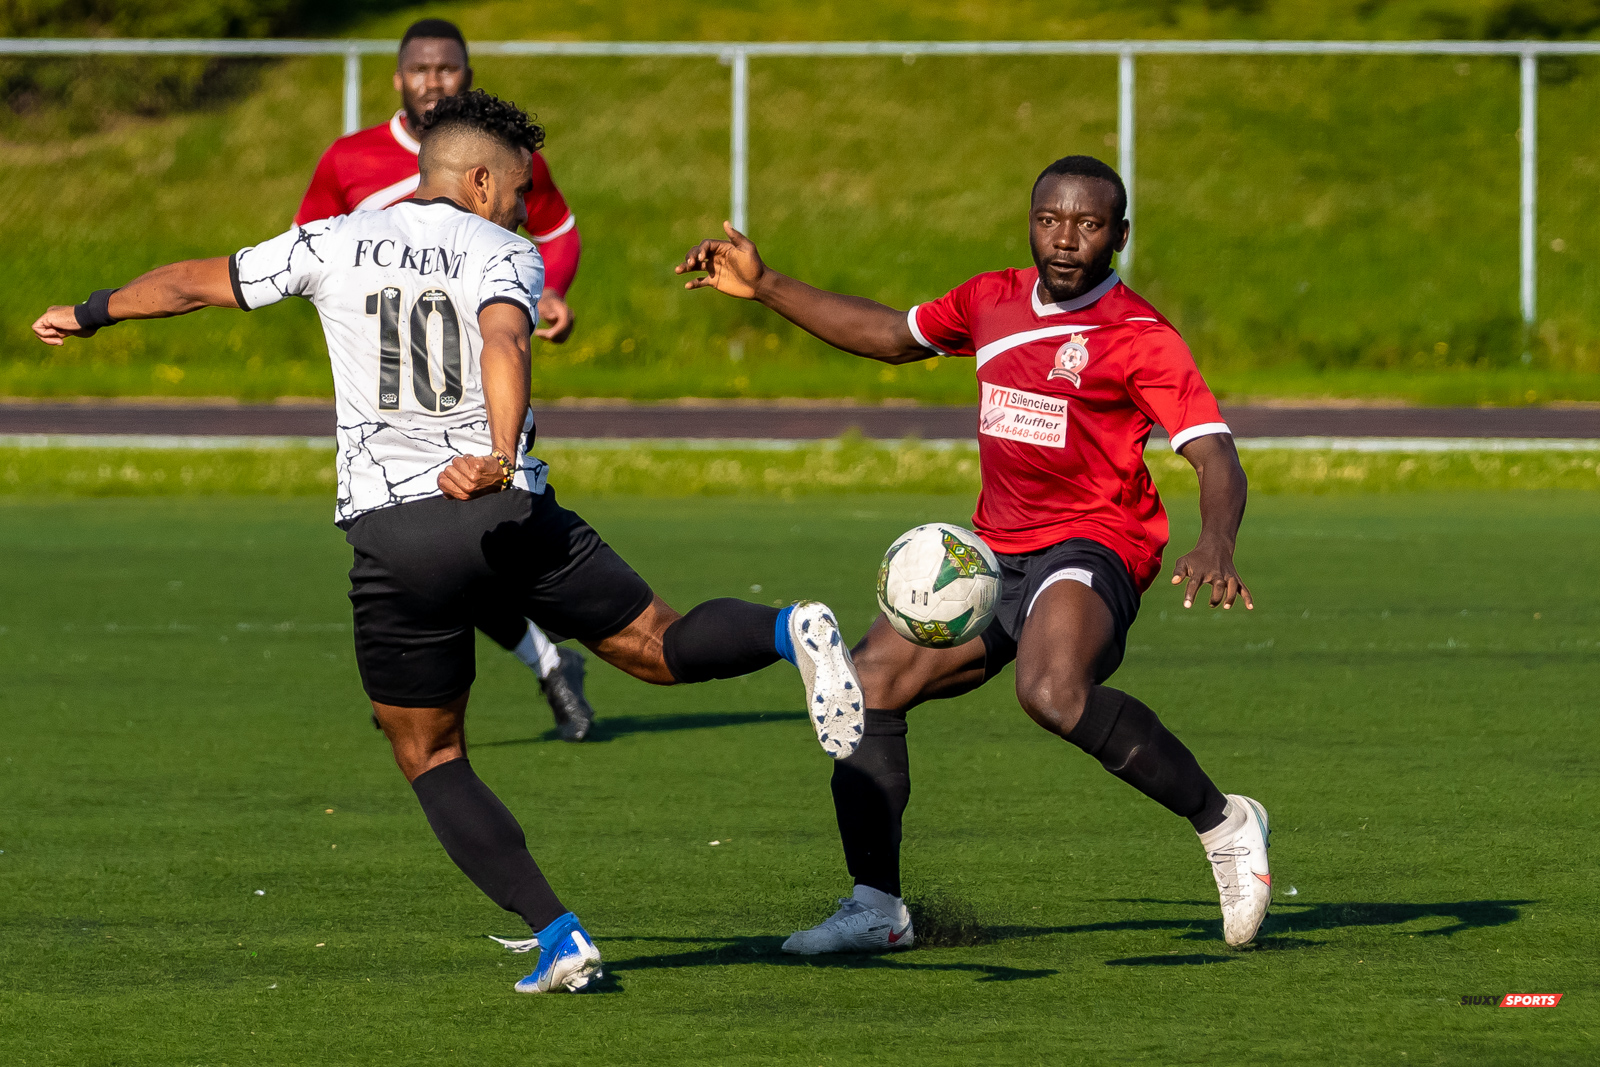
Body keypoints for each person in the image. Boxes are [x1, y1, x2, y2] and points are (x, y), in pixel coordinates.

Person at [33, 90, 867, 994]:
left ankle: (559, 935)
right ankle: (790, 629)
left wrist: (91, 311)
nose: (522, 209)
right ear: (476, 181)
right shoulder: (508, 252)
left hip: (400, 531)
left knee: (429, 752)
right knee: (659, 646)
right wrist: (504, 459)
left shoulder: (334, 239)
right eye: (516, 191)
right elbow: (506, 339)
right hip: (511, 512)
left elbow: (200, 279)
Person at [675, 155, 1273, 952]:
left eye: (1089, 224)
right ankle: (876, 908)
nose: (1065, 240)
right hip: (993, 550)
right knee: (866, 686)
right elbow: (891, 336)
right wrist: (768, 284)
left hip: (1096, 541)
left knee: (1054, 690)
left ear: (1120, 235)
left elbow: (1215, 452)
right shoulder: (990, 299)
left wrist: (1217, 539)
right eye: (1049, 220)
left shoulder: (1142, 337)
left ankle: (1224, 821)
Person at [296, 18, 595, 740]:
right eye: (420, 69)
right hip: (387, 396)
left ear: (465, 74)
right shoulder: (350, 159)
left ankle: (432, 680)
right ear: (398, 78)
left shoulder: (496, 159)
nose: (434, 80)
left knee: (454, 542)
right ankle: (545, 659)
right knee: (426, 544)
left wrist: (547, 293)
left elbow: (554, 232)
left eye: (448, 68)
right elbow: (309, 250)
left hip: (478, 384)